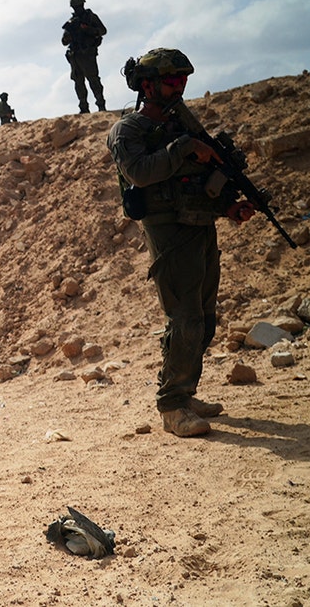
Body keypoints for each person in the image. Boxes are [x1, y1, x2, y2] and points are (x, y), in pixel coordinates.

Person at [107, 48, 257, 437]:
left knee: (205, 320)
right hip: (168, 231)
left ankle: (185, 393)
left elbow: (198, 179)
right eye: (172, 80)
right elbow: (140, 173)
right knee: (185, 318)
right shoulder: (129, 130)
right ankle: (172, 406)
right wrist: (184, 148)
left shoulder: (184, 129)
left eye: (183, 80)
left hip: (200, 224)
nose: (180, 87)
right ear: (147, 85)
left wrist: (230, 208)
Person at [61, 0, 107, 113]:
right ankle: (83, 107)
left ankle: (101, 104)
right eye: (75, 7)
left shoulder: (91, 17)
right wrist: (67, 37)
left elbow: (103, 30)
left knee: (93, 80)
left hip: (87, 54)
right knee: (78, 82)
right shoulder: (71, 23)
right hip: (75, 55)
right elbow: (64, 42)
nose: (77, 9)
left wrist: (88, 29)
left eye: (78, 6)